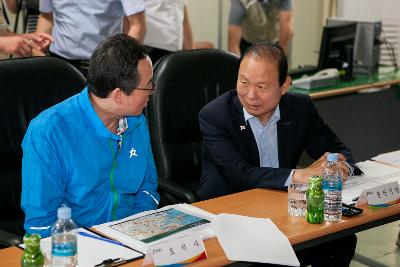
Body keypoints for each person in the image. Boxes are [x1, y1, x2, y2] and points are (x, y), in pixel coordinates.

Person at [198, 42, 358, 266]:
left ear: (284, 85)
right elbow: (240, 174)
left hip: (281, 209)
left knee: (341, 240)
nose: (251, 95)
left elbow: (337, 149)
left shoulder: (300, 108)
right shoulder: (216, 115)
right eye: (243, 82)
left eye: (262, 86)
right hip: (231, 213)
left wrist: (340, 166)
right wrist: (299, 175)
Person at [21, 34, 159, 238]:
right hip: (76, 247)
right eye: (148, 85)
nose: (152, 91)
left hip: (131, 239)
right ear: (118, 95)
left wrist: (135, 235)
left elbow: (147, 189)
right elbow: (41, 224)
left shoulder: (136, 121)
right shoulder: (48, 132)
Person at [34, 0, 146, 77]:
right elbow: (46, 16)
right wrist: (37, 52)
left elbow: (137, 25)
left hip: (103, 66)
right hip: (58, 62)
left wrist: (123, 66)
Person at [228, 0, 293, 57]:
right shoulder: (240, 1)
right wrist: (237, 68)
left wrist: (281, 61)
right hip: (248, 44)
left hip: (275, 44)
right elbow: (233, 42)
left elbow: (286, 32)